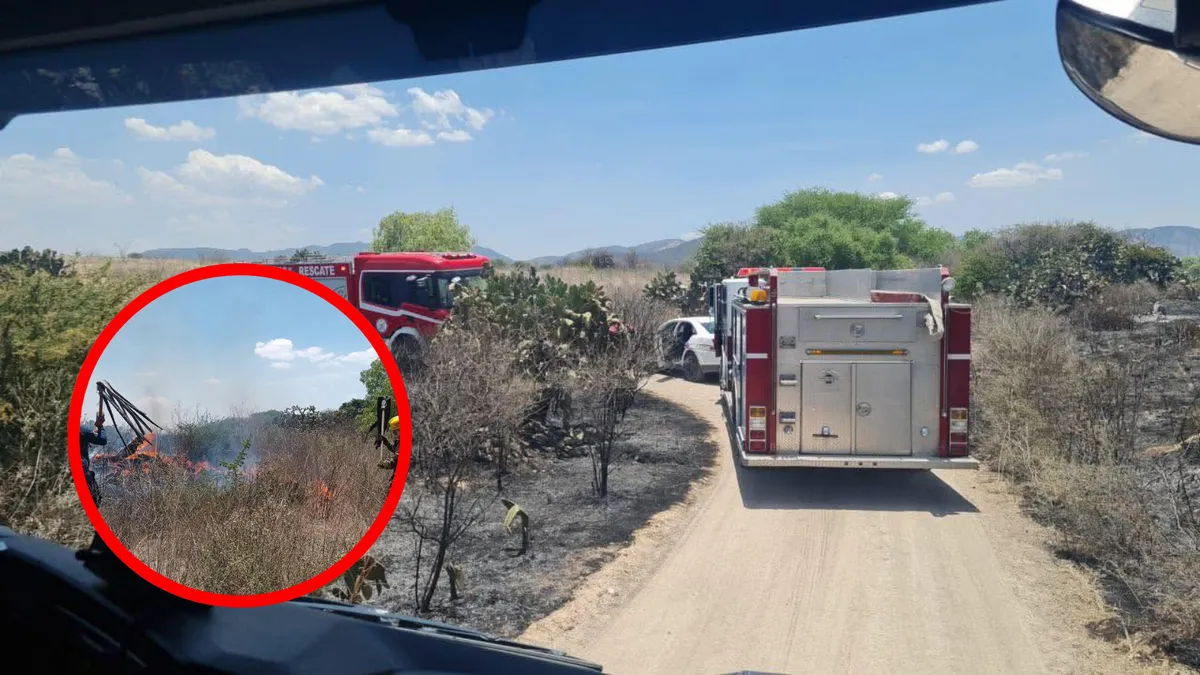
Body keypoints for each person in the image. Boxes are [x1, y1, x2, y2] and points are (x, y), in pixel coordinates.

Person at [79, 411, 107, 506]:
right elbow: (102, 440)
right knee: (95, 501)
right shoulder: (82, 430)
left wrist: (92, 434)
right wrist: (100, 426)